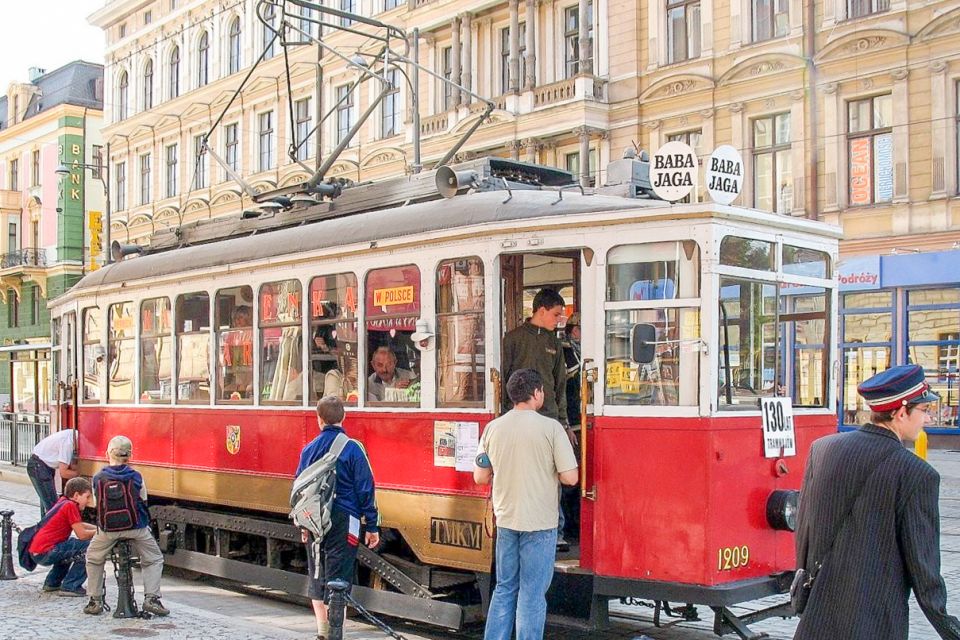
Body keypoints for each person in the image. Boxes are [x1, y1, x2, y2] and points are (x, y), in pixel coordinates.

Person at [794, 364, 960, 640]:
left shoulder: (822, 449)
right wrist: (949, 628)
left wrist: (804, 591)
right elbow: (924, 569)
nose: (928, 420)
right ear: (900, 412)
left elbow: (804, 530)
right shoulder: (916, 474)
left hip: (818, 615)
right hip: (876, 622)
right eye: (924, 411)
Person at [474, 369, 578, 640]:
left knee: (505, 588)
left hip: (507, 521)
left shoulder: (493, 429)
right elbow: (570, 477)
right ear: (536, 394)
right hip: (540, 525)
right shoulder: (552, 428)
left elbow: (480, 475)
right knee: (532, 594)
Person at [296, 396, 380, 640]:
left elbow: (300, 488)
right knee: (339, 577)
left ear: (318, 420)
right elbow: (366, 488)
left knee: (317, 574)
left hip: (314, 520)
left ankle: (323, 633)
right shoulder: (354, 448)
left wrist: (303, 523)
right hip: (347, 521)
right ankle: (336, 633)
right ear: (344, 417)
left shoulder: (308, 450)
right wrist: (372, 525)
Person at [501, 288, 576, 549]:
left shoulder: (555, 344)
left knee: (552, 475)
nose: (558, 321)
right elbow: (502, 381)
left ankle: (555, 531)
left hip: (549, 417)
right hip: (518, 416)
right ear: (541, 310)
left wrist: (564, 422)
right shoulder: (512, 339)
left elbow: (560, 386)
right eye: (556, 314)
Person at [83, 435, 169, 617]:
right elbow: (144, 500)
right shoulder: (136, 476)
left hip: (107, 531)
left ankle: (95, 600)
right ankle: (151, 598)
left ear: (108, 453)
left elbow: (97, 504)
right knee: (154, 558)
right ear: (129, 456)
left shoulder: (98, 477)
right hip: (136, 528)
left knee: (93, 558)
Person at [29, 476, 97, 597]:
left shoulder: (63, 502)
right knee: (90, 547)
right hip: (47, 550)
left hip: (38, 551)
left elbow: (79, 524)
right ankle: (71, 585)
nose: (88, 501)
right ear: (76, 495)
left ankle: (52, 582)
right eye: (87, 497)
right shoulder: (70, 506)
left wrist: (97, 528)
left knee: (69, 546)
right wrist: (99, 533)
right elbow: (82, 535)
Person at [560, 313, 582, 541]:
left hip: (579, 420)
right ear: (574, 329)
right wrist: (565, 423)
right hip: (571, 421)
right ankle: (569, 526)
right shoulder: (566, 352)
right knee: (570, 477)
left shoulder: (578, 351)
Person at [27, 428, 79, 516]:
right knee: (52, 507)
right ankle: (49, 528)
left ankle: (45, 527)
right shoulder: (68, 442)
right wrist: (81, 476)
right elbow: (64, 472)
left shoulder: (71, 435)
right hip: (40, 467)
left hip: (40, 465)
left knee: (48, 506)